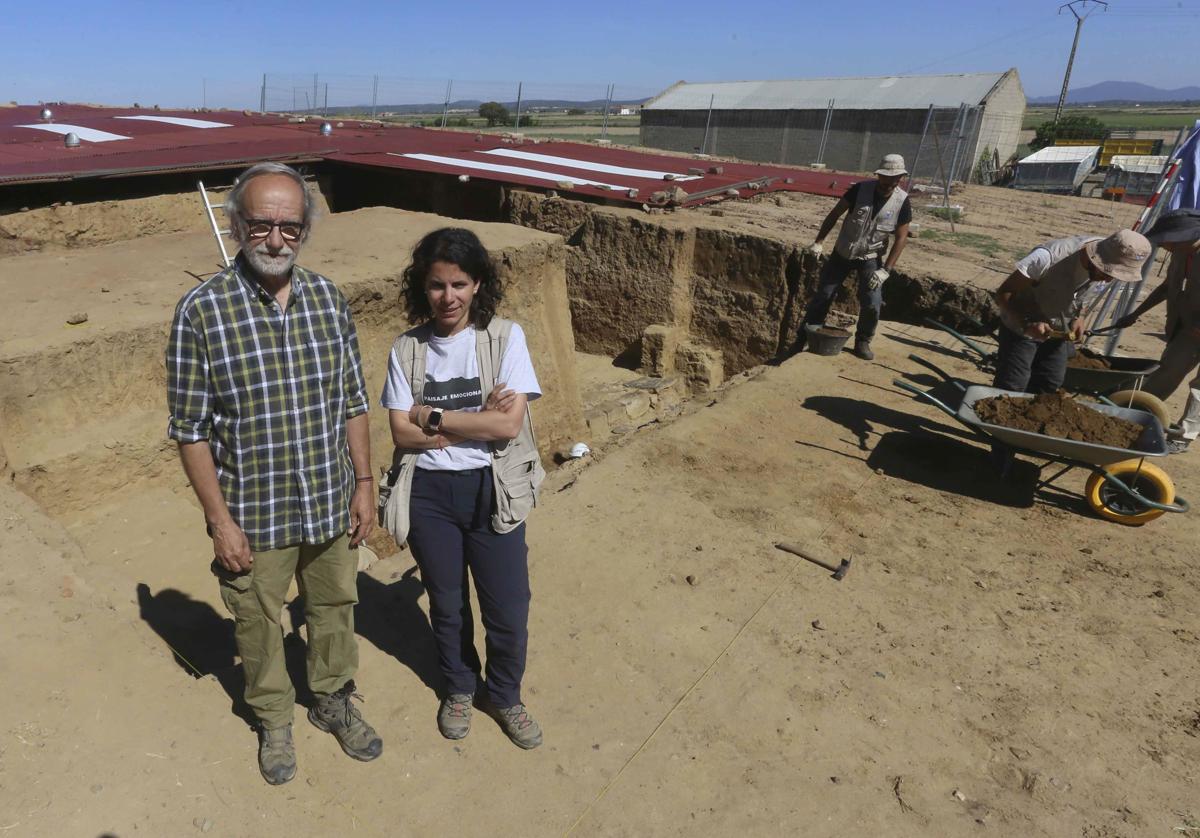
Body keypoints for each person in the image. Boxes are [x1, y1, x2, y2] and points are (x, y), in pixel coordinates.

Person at [166, 162, 382, 786]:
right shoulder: (201, 312)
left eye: (290, 225)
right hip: (254, 513)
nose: (276, 239)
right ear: (236, 226)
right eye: (261, 224)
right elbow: (191, 429)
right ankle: (275, 719)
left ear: (306, 228)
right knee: (257, 621)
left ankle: (333, 699)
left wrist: (364, 484)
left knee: (335, 604)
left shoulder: (327, 298)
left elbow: (353, 402)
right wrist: (219, 522)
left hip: (328, 499)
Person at [381, 227, 546, 749]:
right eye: (436, 285)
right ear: (421, 288)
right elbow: (399, 432)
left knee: (507, 605)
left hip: (491, 488)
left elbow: (506, 428)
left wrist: (433, 415)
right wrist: (470, 418)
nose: (447, 297)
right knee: (447, 604)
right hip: (429, 495)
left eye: (458, 283)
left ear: (477, 284)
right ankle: (458, 686)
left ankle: (503, 695)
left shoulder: (504, 338)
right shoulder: (407, 349)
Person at [993, 230, 1151, 394]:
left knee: (1050, 380)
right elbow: (1004, 293)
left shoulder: (1105, 268)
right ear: (1094, 258)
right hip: (1020, 327)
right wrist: (1027, 322)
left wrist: (1080, 317)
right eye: (1107, 272)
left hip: (1058, 330)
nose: (1109, 279)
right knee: (1013, 384)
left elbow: (1084, 297)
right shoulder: (1048, 257)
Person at [790, 153, 912, 361]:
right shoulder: (860, 190)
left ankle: (863, 340)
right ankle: (805, 336)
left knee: (872, 301)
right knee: (824, 295)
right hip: (843, 252)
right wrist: (819, 241)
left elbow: (901, 237)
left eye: (894, 180)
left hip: (871, 257)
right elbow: (835, 214)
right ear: (879, 176)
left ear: (900, 178)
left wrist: (886, 270)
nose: (889, 184)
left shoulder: (902, 201)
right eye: (885, 179)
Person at [1113, 209, 1200, 453]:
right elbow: (1166, 288)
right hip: (1187, 327)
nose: (1165, 245)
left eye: (1168, 240)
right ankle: (1138, 413)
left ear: (1185, 235)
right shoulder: (1182, 254)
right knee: (1167, 371)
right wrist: (1136, 314)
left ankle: (1183, 437)